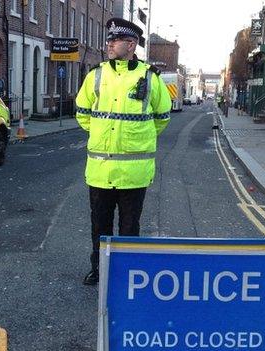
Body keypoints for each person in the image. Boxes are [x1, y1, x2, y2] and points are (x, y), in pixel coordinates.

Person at [75, 17, 172, 285]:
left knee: (129, 229)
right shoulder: (96, 75)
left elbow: (162, 117)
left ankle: (128, 274)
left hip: (134, 172)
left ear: (131, 45)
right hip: (100, 170)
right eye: (109, 39)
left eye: (114, 40)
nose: (108, 44)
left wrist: (137, 139)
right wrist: (100, 135)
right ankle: (100, 270)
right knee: (100, 228)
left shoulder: (150, 78)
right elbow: (83, 113)